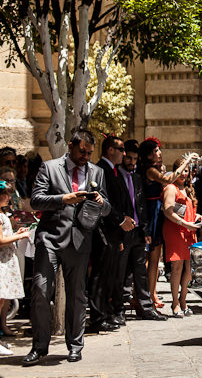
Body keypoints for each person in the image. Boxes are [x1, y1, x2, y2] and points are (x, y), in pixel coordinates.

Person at [24, 129, 111, 366]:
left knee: (76, 295)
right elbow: (36, 200)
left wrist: (103, 204)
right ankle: (39, 347)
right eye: (82, 151)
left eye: (90, 153)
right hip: (50, 238)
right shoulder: (50, 168)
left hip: (80, 240)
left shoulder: (97, 172)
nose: (85, 156)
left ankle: (75, 346)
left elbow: (106, 209)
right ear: (71, 146)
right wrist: (64, 199)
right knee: (41, 291)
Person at [107, 139, 166, 325]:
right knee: (122, 272)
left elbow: (141, 205)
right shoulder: (115, 177)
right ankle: (119, 310)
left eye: (134, 159)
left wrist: (146, 229)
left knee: (141, 270)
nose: (132, 162)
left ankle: (146, 307)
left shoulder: (137, 177)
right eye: (129, 158)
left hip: (139, 231)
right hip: (123, 230)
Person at [87, 135, 127, 333]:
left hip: (113, 233)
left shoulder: (114, 171)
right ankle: (96, 317)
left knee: (109, 276)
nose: (124, 154)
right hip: (103, 230)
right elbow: (103, 201)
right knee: (100, 276)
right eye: (121, 149)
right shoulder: (100, 169)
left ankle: (104, 312)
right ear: (110, 150)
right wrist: (120, 220)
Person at [161, 157, 202, 317]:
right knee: (177, 268)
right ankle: (175, 303)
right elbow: (168, 211)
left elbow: (187, 210)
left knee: (190, 269)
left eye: (186, 170)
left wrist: (197, 217)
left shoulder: (188, 189)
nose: (184, 173)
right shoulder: (171, 188)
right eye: (181, 170)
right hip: (176, 230)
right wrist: (186, 224)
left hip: (189, 230)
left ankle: (183, 300)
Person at [136, 138, 174, 309]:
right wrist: (186, 162)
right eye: (157, 150)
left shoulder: (151, 169)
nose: (160, 153)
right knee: (150, 259)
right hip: (150, 213)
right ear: (149, 154)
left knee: (152, 259)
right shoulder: (150, 170)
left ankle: (150, 293)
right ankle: (145, 296)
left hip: (154, 212)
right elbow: (169, 180)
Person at [0, 179, 28, 355]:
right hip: (1, 262)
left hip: (5, 261)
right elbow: (1, 240)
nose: (9, 198)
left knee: (2, 300)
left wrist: (15, 233)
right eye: (7, 194)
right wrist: (19, 237)